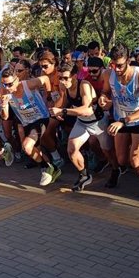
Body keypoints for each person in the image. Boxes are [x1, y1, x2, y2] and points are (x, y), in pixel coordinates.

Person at [100, 44, 139, 200]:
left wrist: (124, 121)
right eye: (113, 64)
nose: (116, 69)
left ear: (129, 61)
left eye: (120, 65)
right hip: (120, 120)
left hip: (138, 122)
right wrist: (103, 98)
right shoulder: (108, 74)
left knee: (134, 161)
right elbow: (104, 91)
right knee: (122, 160)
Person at [49, 62, 113, 192]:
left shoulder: (83, 85)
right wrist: (58, 112)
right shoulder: (63, 86)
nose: (62, 81)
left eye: (65, 78)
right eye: (60, 77)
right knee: (71, 150)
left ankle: (116, 169)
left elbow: (87, 110)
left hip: (98, 122)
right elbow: (65, 102)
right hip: (82, 123)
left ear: (74, 76)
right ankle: (84, 175)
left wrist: (64, 111)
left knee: (107, 151)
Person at [0, 66, 61, 186]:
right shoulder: (5, 92)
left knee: (27, 147)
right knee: (34, 151)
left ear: (17, 79)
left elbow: (45, 79)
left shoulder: (28, 84)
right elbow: (5, 117)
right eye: (4, 84)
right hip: (27, 123)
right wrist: (3, 105)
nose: (7, 87)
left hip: (41, 118)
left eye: (9, 84)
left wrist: (48, 97)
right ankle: (54, 169)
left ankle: (46, 169)